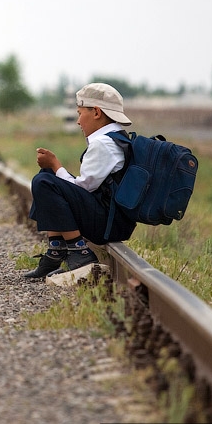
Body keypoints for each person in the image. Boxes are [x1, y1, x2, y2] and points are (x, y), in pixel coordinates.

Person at [24, 83, 136, 279]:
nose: (78, 121)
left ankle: (79, 252)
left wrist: (56, 164)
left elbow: (83, 188)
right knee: (47, 176)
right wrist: (53, 168)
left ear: (96, 113)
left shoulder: (104, 144)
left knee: (44, 182)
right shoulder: (114, 138)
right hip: (111, 219)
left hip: (107, 225)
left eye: (79, 113)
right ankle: (56, 249)